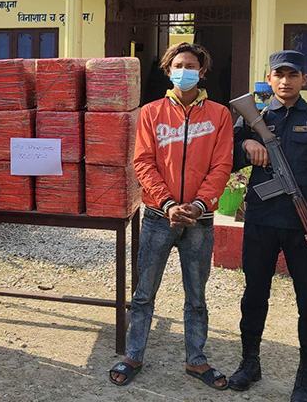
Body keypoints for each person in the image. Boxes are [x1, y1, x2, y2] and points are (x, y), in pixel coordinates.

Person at [109, 42, 233, 389]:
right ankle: (134, 355)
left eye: (191, 65)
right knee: (144, 293)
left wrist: (199, 204)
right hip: (156, 217)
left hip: (200, 220)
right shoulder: (150, 113)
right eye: (178, 64)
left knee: (196, 296)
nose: (184, 70)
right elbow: (143, 163)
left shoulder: (220, 115)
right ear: (168, 70)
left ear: (202, 72)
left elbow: (222, 164)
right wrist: (167, 204)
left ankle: (196, 359)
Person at [228, 50, 307, 402]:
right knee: (254, 296)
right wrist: (245, 143)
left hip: (303, 224)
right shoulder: (256, 116)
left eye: (292, 74)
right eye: (278, 74)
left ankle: (306, 375)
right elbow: (227, 158)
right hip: (262, 221)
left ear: (303, 79)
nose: (284, 81)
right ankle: (250, 363)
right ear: (270, 76)